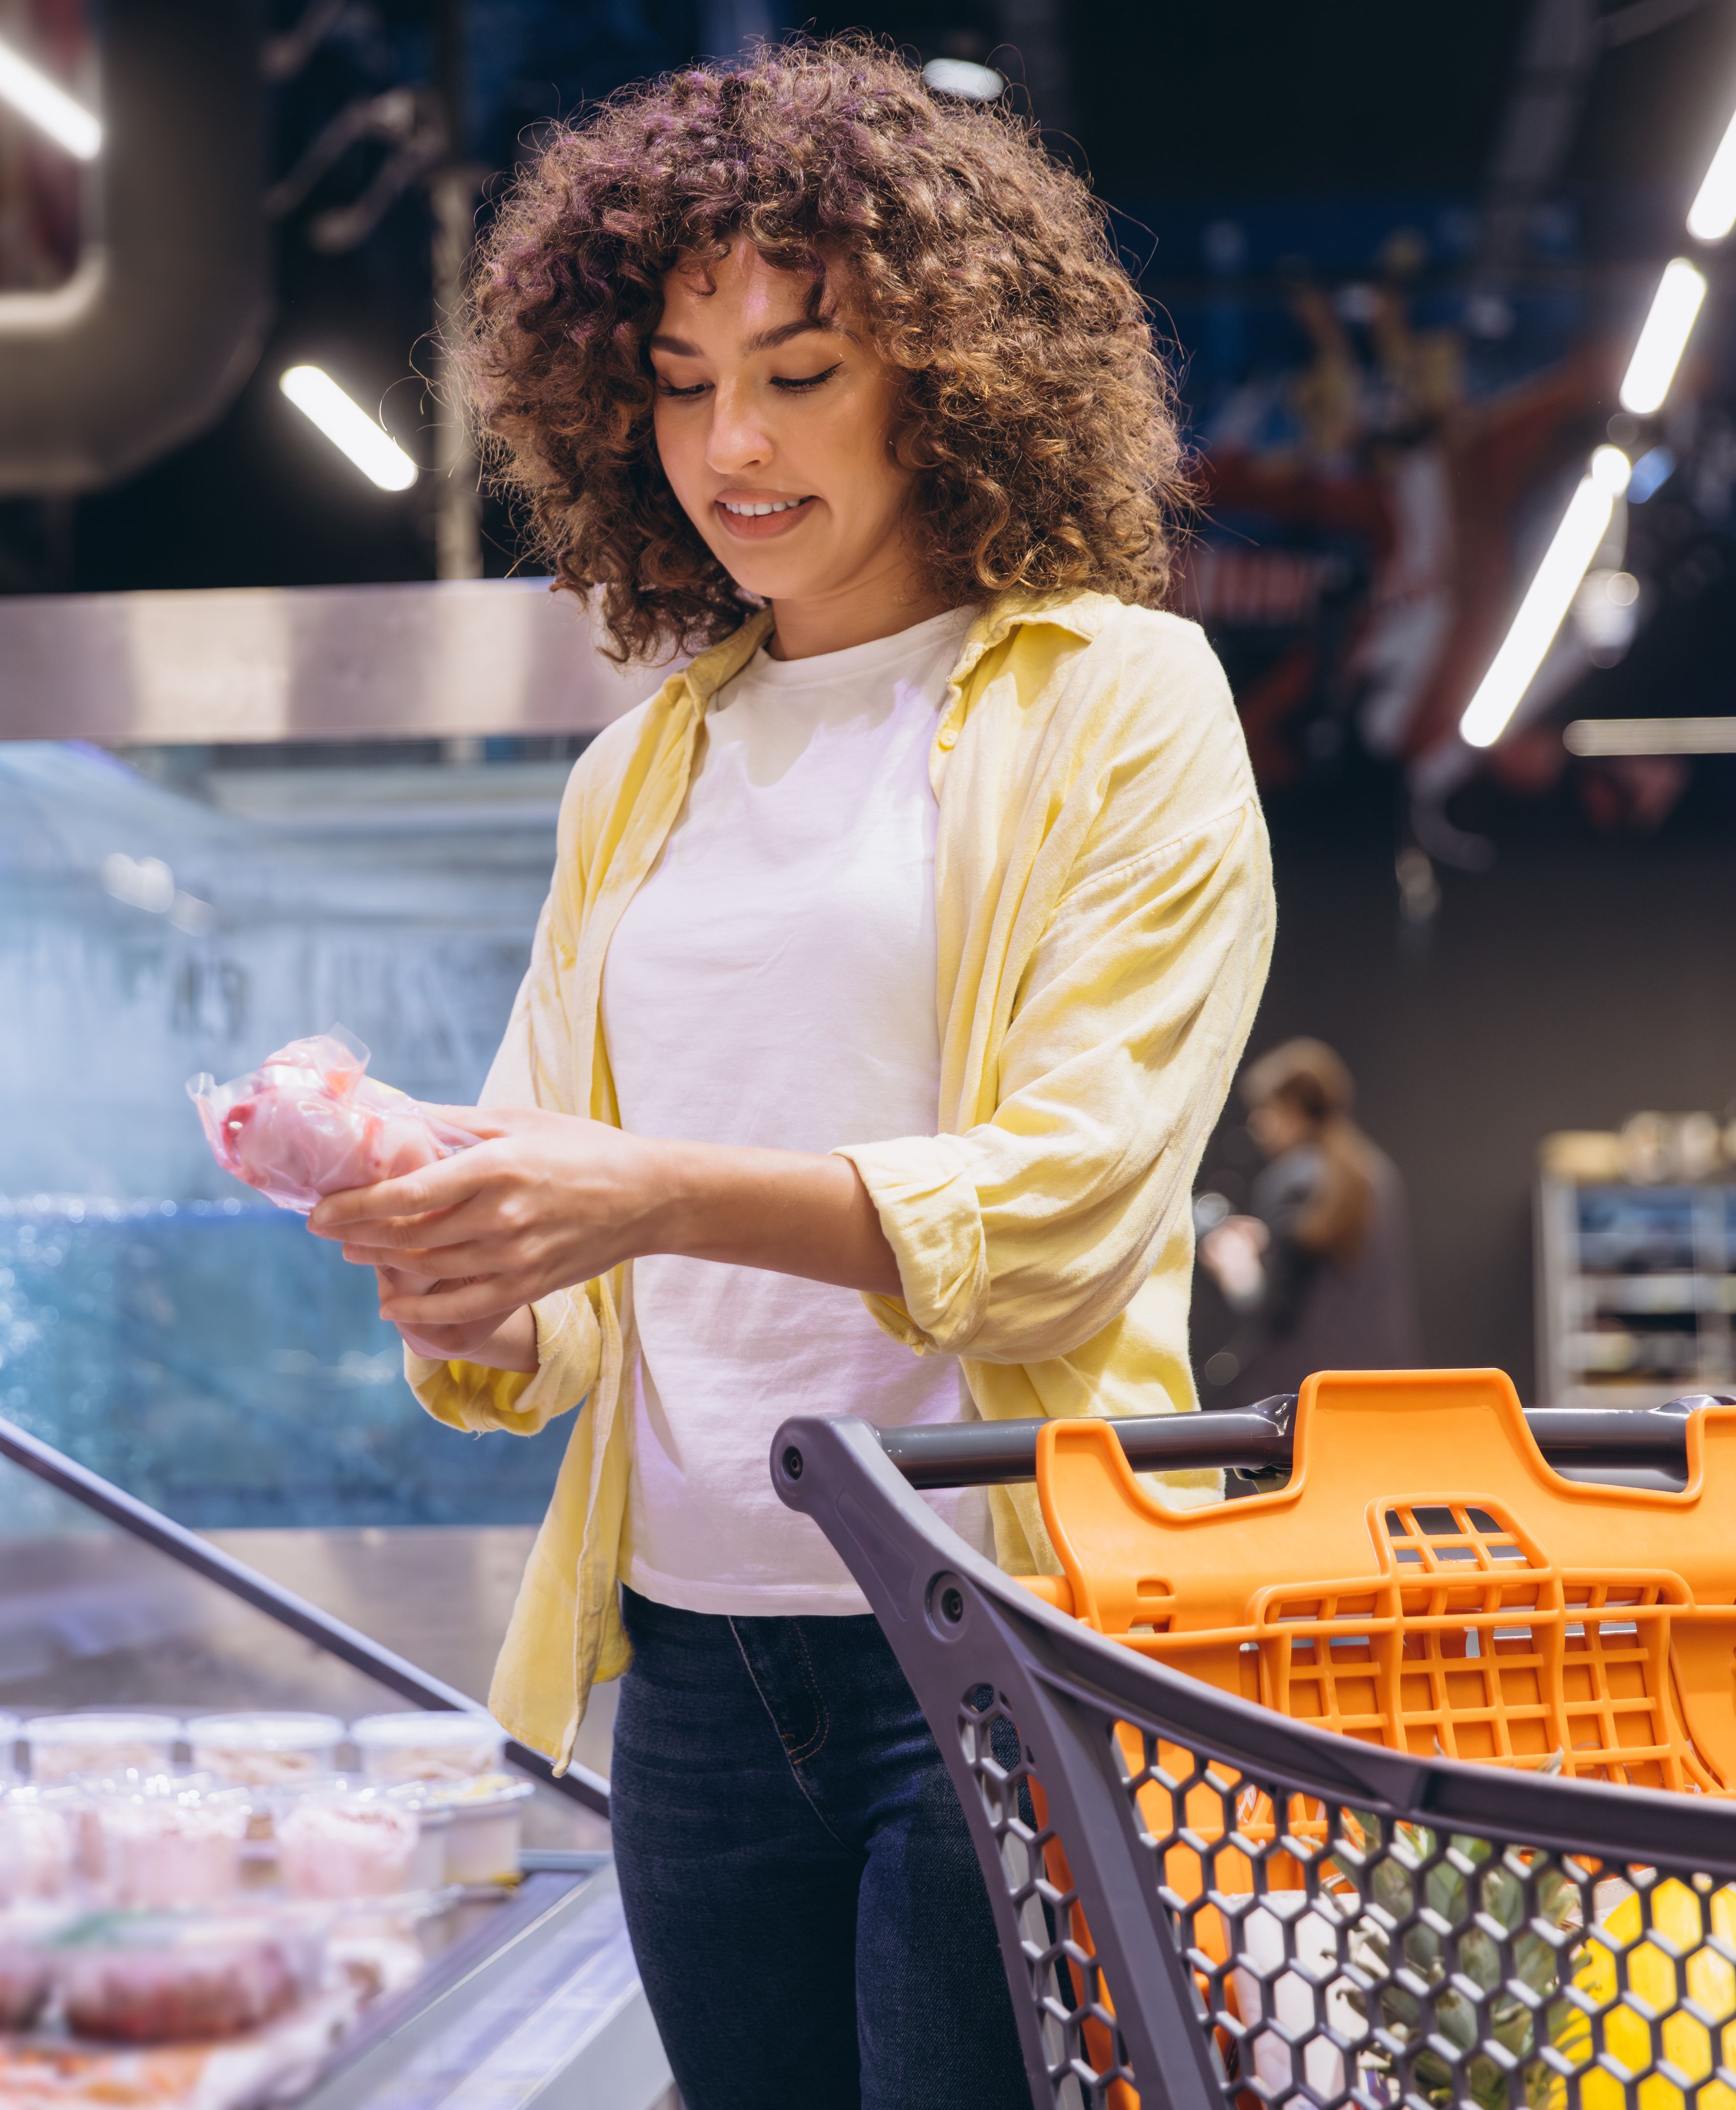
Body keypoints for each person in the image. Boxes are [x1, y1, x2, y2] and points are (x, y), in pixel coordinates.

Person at [307, 39, 1273, 2110]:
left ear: (947, 374)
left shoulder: (1120, 702)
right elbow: (569, 1279)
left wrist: (642, 1188)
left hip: (1000, 1640)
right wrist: (462, 1260)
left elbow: (1070, 1205)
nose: (727, 443)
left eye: (799, 370)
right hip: (695, 1666)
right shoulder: (633, 771)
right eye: (676, 381)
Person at [1198, 1038, 1419, 1402]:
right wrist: (1270, 1238)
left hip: (1310, 1395)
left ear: (1291, 1110)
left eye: (1263, 1110)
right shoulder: (1378, 1172)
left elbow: (1273, 1312)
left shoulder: (1288, 1180)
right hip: (1382, 1386)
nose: (1255, 1123)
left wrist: (1236, 1269)